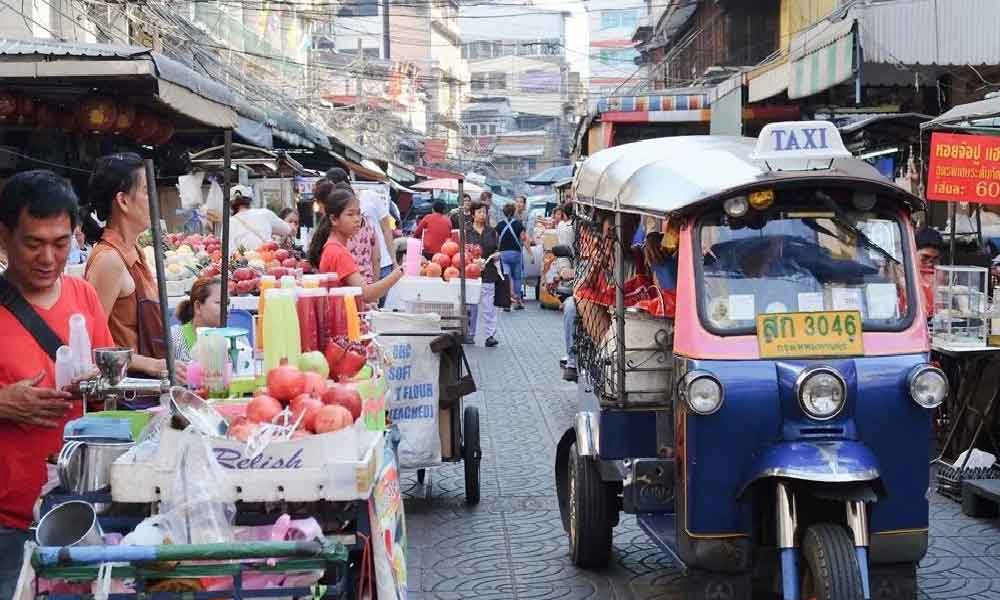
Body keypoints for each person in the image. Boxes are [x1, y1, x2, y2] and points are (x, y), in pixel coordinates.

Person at [0, 170, 118, 597]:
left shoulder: (83, 295)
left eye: (61, 242)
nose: (48, 257)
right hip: (7, 522)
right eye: (33, 243)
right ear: (4, 236)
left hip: (79, 511)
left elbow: (109, 392)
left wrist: (97, 386)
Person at [83, 153, 180, 380]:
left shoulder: (134, 252)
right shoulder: (109, 261)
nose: (154, 200)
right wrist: (152, 365)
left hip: (148, 388)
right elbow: (90, 343)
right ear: (123, 201)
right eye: (147, 192)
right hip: (126, 394)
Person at [308, 187, 404, 303]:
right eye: (350, 214)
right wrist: (400, 272)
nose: (357, 219)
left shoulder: (334, 247)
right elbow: (365, 294)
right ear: (334, 219)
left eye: (359, 214)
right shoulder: (338, 252)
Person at [465, 201, 507, 347]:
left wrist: (497, 254)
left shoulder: (492, 231)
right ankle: (470, 334)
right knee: (471, 306)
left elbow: (496, 249)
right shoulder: (466, 231)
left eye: (484, 212)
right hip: (471, 273)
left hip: (488, 273)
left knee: (488, 306)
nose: (482, 215)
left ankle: (490, 335)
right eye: (479, 212)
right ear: (472, 214)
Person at [227, 185, 292, 252]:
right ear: (250, 200)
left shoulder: (229, 223)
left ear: (231, 205)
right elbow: (287, 229)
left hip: (243, 261)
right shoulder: (265, 213)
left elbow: (230, 252)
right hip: (268, 259)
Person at [357, 187, 397, 281]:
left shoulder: (371, 196)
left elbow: (386, 229)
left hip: (383, 263)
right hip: (359, 268)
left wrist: (394, 260)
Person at [497, 202, 530, 311]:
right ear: (514, 212)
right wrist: (530, 252)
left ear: (504, 213)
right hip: (516, 254)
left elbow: (495, 239)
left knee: (506, 277)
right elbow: (524, 238)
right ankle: (518, 302)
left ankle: (507, 303)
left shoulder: (500, 224)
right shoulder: (518, 224)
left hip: (503, 255)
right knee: (517, 278)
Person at [916, 227, 943, 317]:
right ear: (912, 252)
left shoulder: (942, 276)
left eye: (935, 259)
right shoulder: (904, 275)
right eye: (925, 257)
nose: (930, 263)